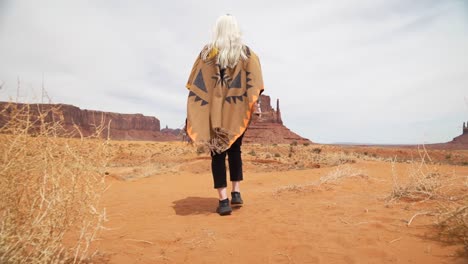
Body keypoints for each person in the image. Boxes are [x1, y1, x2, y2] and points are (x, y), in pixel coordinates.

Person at [185, 14, 264, 216]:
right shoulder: (246, 54)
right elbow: (254, 82)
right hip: (236, 111)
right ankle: (236, 192)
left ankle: (223, 201)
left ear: (218, 29)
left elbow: (195, 84)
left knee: (217, 152)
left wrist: (194, 112)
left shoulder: (206, 53)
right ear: (236, 30)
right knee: (235, 148)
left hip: (214, 112)